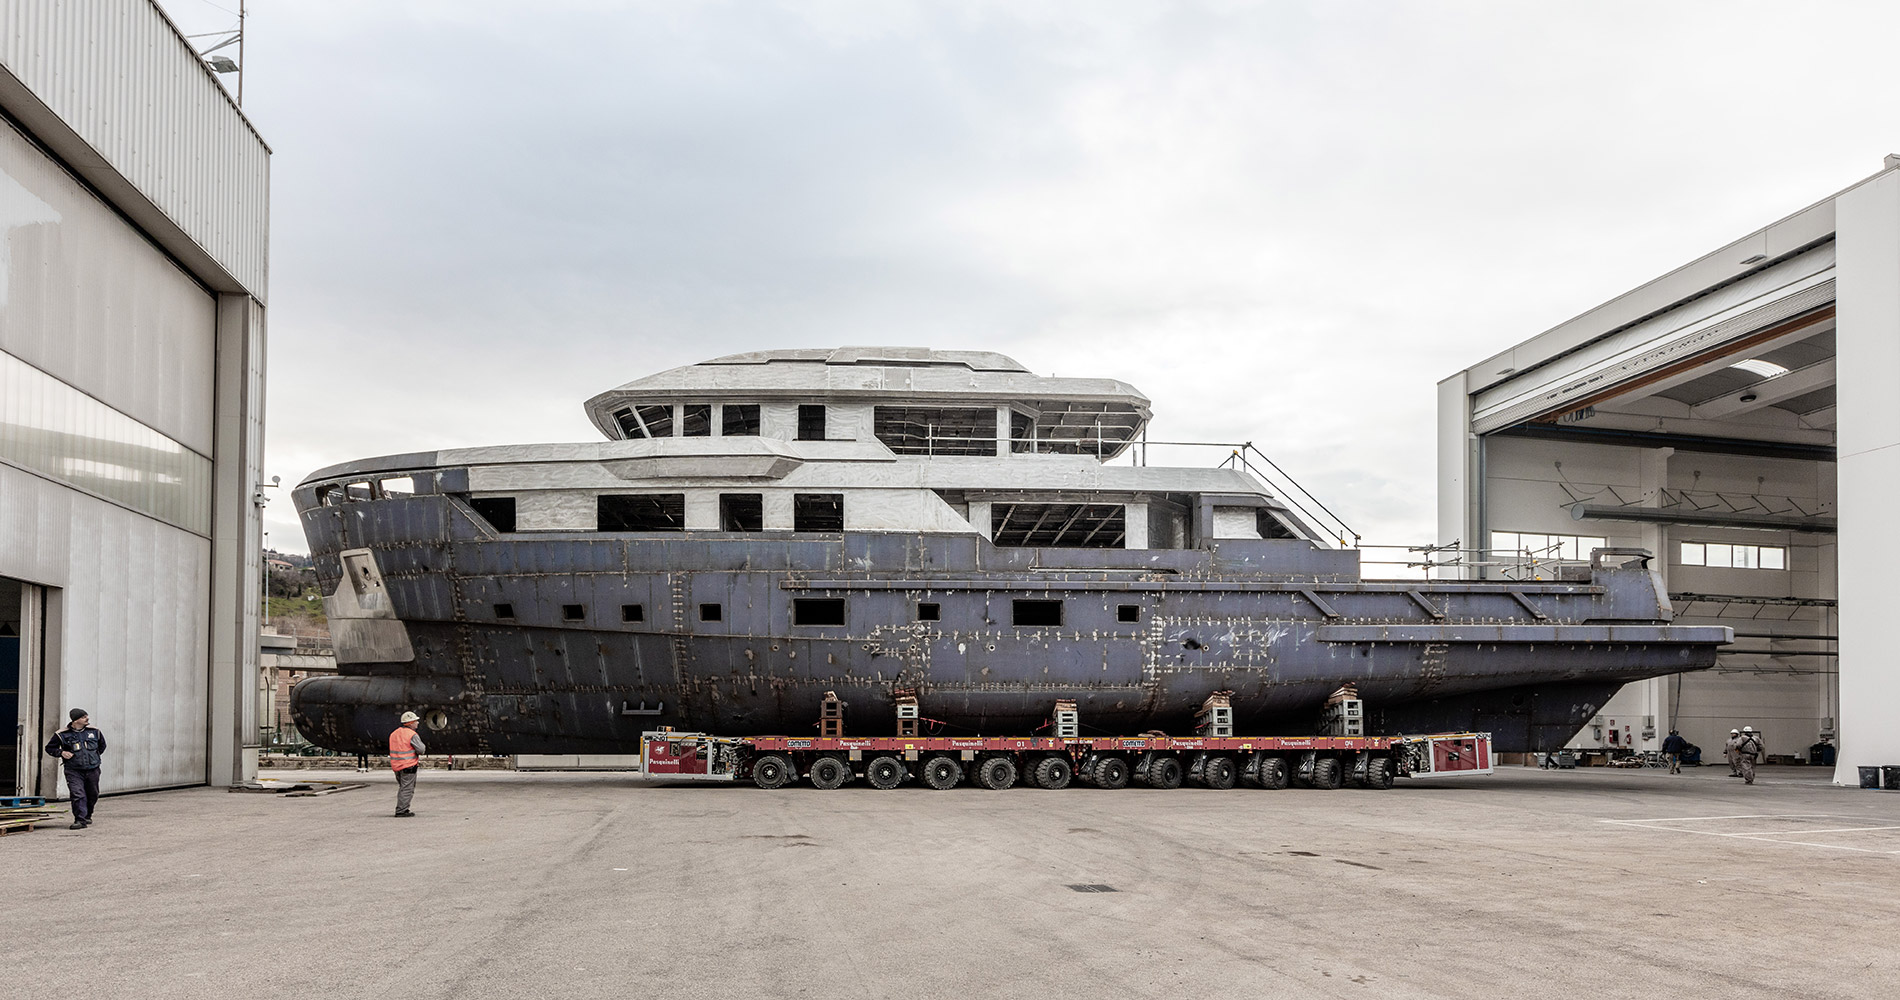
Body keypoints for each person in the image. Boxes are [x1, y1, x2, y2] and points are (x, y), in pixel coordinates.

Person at [43, 709, 106, 830]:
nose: (87, 718)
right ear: (75, 720)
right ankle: (79, 820)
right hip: (73, 770)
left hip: (93, 769)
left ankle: (87, 815)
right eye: (83, 717)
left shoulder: (95, 731)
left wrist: (94, 757)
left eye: (86, 716)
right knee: (78, 794)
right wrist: (61, 753)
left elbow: (102, 746)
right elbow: (49, 748)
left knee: (93, 794)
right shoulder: (62, 734)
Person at [389, 710, 427, 817]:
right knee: (407, 789)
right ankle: (401, 810)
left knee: (403, 788)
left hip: (396, 766)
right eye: (416, 721)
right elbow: (421, 749)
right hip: (408, 766)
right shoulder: (411, 735)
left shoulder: (394, 734)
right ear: (410, 723)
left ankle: (402, 808)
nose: (418, 723)